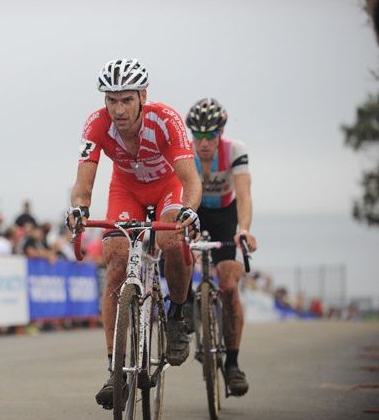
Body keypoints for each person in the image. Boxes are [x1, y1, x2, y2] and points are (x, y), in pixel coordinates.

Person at [66, 58, 202, 409]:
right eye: (111, 100)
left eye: (126, 99)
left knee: (172, 240)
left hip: (167, 187)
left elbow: (190, 181)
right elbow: (83, 184)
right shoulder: (96, 124)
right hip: (125, 190)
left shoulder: (165, 120)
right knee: (115, 261)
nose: (118, 109)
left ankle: (177, 315)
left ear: (143, 95)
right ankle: (115, 369)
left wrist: (187, 209)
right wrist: (79, 210)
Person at [184, 97, 258, 397]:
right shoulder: (185, 152)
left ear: (221, 132)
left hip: (226, 214)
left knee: (228, 284)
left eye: (210, 135)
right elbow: (178, 192)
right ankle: (187, 303)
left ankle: (233, 364)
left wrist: (244, 230)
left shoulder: (235, 150)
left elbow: (243, 194)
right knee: (177, 248)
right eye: (198, 136)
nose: (204, 143)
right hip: (195, 209)